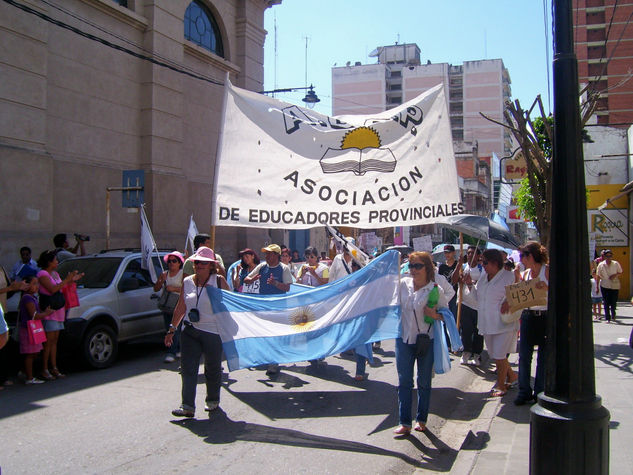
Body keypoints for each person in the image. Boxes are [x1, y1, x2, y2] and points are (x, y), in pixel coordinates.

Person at [165, 247, 230, 418]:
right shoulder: (187, 282)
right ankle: (187, 406)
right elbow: (181, 307)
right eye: (197, 262)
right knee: (188, 368)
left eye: (203, 263)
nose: (199, 265)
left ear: (211, 266)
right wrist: (172, 329)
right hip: (190, 331)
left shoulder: (218, 281)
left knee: (213, 368)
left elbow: (231, 306)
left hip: (213, 332)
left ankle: (212, 400)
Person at [393, 251, 447, 436]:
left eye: (417, 266)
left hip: (426, 341)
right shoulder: (402, 284)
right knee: (404, 381)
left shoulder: (435, 290)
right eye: (410, 266)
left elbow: (446, 316)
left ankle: (421, 419)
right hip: (404, 339)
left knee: (423, 382)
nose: (413, 270)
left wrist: (436, 315)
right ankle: (404, 422)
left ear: (427, 268)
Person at [465, 249, 518, 397]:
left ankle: (501, 386)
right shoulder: (483, 277)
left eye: (485, 262)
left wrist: (509, 301)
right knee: (495, 354)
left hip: (503, 323)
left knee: (500, 355)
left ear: (495, 262)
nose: (483, 265)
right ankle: (512, 376)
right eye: (482, 262)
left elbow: (518, 295)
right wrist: (469, 284)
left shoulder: (509, 276)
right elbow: (477, 297)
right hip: (486, 322)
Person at [244, 244, 293, 374]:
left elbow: (287, 288)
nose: (266, 256)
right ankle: (267, 358)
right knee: (264, 333)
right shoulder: (261, 267)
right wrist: (253, 278)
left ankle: (273, 362)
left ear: (276, 255)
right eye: (266, 254)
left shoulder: (284, 269)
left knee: (275, 334)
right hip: (264, 306)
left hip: (278, 308)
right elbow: (246, 279)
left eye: (269, 254)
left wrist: (275, 283)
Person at [37, 250, 83, 380]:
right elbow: (52, 289)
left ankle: (54, 367)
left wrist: (71, 280)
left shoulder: (55, 274)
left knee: (55, 341)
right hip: (50, 311)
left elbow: (61, 287)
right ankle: (45, 369)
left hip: (59, 310)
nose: (57, 262)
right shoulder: (42, 274)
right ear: (49, 262)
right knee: (48, 342)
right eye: (55, 260)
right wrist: (67, 280)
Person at [514, 241, 549, 406]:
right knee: (524, 355)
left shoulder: (546, 271)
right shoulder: (525, 274)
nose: (521, 259)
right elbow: (520, 295)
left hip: (544, 316)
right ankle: (524, 391)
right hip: (528, 316)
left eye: (524, 255)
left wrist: (546, 288)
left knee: (543, 356)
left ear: (532, 255)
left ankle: (539, 391)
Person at [18, 276, 55, 384]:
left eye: (37, 284)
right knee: (30, 354)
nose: (37, 286)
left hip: (34, 328)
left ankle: (25, 372)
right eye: (34, 284)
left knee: (35, 352)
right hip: (28, 329)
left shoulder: (32, 297)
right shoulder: (27, 298)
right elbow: (34, 315)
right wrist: (46, 314)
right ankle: (29, 378)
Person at [453, 246, 484, 366]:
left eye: (473, 253)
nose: (471, 255)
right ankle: (466, 352)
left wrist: (471, 283)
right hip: (464, 303)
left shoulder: (482, 270)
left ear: (478, 256)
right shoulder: (463, 267)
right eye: (469, 253)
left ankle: (476, 354)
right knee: (466, 330)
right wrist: (459, 265)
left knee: (478, 331)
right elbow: (454, 280)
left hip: (478, 305)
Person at [153, 251, 184, 363]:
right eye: (169, 261)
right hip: (167, 305)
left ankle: (173, 351)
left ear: (179, 263)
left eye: (174, 261)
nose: (171, 263)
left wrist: (174, 289)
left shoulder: (182, 274)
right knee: (169, 328)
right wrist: (160, 281)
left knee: (176, 328)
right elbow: (156, 288)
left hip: (178, 305)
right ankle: (174, 349)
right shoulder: (164, 274)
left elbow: (186, 290)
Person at [596, 249, 622, 323]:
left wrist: (615, 275)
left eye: (610, 256)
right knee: (606, 302)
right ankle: (608, 317)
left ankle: (613, 314)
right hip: (605, 285)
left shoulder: (616, 263)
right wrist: (597, 287)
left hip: (614, 285)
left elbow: (620, 272)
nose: (608, 258)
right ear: (604, 256)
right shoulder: (601, 265)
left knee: (613, 301)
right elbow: (598, 275)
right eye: (607, 256)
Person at [438, 245, 458, 317]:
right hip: (444, 294)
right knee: (444, 316)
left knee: (454, 316)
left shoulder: (457, 264)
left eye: (449, 252)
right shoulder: (442, 267)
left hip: (455, 294)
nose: (447, 255)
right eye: (445, 253)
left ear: (454, 253)